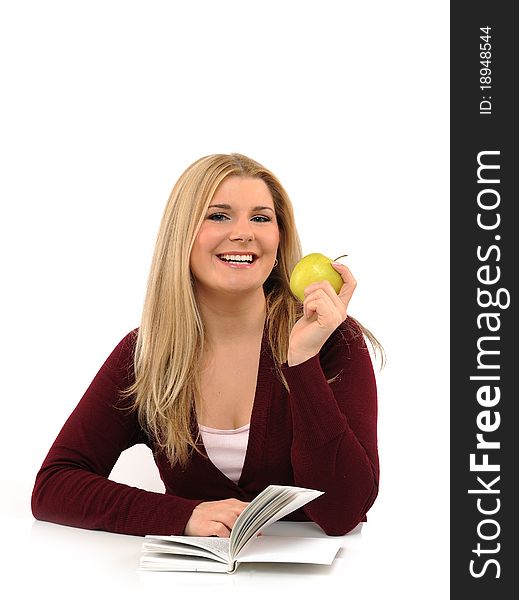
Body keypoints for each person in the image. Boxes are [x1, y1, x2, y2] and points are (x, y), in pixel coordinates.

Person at [31, 153, 381, 538]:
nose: (244, 232)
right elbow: (54, 486)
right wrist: (183, 515)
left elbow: (343, 512)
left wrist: (302, 362)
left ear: (279, 239)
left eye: (261, 218)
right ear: (182, 233)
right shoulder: (147, 355)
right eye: (218, 215)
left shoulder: (334, 341)